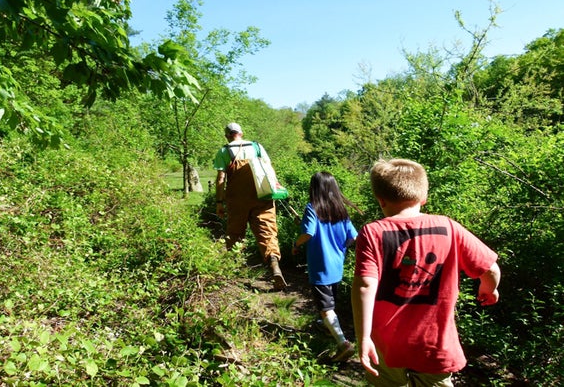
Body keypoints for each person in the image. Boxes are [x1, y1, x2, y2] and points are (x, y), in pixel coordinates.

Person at [352, 158, 501, 386]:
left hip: (385, 344)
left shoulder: (373, 232)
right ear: (423, 197)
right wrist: (489, 289)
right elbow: (490, 268)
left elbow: (365, 285)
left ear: (380, 200)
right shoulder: (449, 227)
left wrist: (363, 337)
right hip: (434, 344)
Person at [292, 171, 358, 362]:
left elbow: (308, 233)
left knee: (326, 307)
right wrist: (340, 249)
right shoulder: (340, 210)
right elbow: (353, 237)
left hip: (320, 267)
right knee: (330, 303)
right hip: (337, 266)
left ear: (314, 188)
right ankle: (326, 326)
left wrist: (296, 245)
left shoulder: (312, 207)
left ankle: (343, 344)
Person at [213, 122, 288, 290]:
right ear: (241, 133)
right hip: (263, 196)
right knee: (267, 232)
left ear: (227, 135)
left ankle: (232, 275)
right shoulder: (257, 146)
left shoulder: (225, 151)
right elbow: (269, 168)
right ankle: (274, 265)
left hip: (237, 199)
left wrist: (219, 202)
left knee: (235, 233)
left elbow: (220, 180)